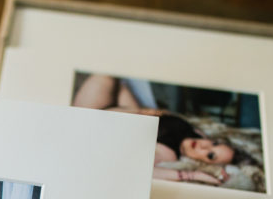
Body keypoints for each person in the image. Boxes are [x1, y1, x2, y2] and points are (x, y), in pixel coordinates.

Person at [72, 74, 254, 186]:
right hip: (117, 110)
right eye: (214, 144)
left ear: (203, 163)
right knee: (113, 76)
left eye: (211, 155)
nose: (205, 147)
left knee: (105, 76)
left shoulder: (168, 154)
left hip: (91, 120)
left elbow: (139, 171)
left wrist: (194, 175)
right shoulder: (196, 132)